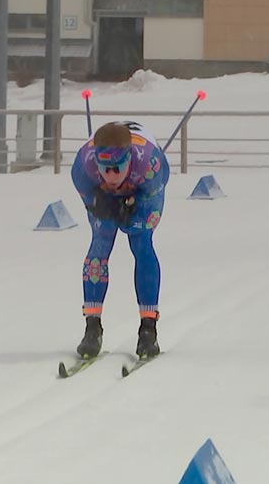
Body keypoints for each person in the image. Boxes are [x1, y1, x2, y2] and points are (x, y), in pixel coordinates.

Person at [70, 121, 170, 360]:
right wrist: (102, 204)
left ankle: (148, 329)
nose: (112, 175)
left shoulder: (150, 164)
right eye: (105, 168)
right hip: (100, 191)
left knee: (140, 242)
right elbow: (91, 198)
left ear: (129, 160)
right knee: (100, 243)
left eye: (117, 168)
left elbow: (152, 192)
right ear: (95, 161)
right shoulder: (83, 168)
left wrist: (130, 206)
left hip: (144, 190)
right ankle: (92, 327)